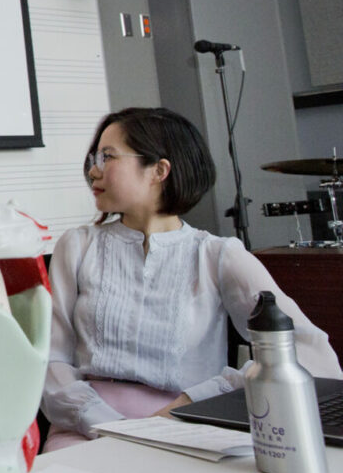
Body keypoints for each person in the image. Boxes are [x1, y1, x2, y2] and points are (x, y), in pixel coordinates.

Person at [41, 107, 342, 451]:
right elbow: (50, 359)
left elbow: (308, 351)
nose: (93, 170)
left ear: (158, 170)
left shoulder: (217, 254)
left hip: (189, 428)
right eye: (94, 158)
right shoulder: (78, 246)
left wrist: (203, 397)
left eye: (107, 157)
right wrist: (104, 423)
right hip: (84, 430)